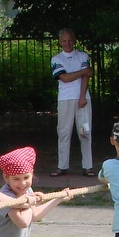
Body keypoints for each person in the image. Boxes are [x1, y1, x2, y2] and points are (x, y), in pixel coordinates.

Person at [49, 28, 93, 177]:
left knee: (85, 132)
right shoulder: (56, 59)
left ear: (73, 40)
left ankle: (88, 166)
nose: (67, 43)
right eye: (64, 41)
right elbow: (65, 78)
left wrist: (82, 97)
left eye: (69, 40)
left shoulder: (82, 55)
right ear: (60, 42)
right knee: (63, 132)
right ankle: (62, 166)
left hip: (83, 99)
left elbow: (86, 77)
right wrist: (84, 71)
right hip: (64, 99)